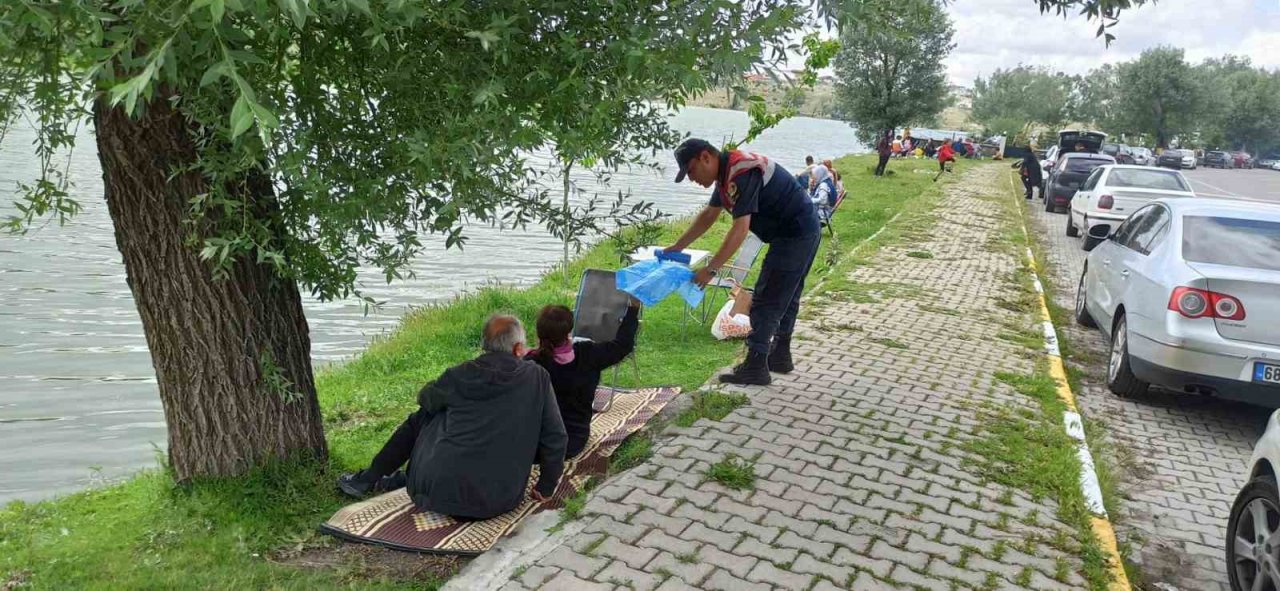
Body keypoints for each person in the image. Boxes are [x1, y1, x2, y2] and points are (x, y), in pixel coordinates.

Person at [338, 315, 567, 520]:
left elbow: (425, 398)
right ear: (518, 349)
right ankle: (390, 477)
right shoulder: (537, 377)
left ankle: (367, 479)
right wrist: (546, 486)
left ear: (484, 345)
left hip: (433, 494)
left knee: (424, 416)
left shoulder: (460, 374)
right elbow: (556, 436)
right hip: (499, 499)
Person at [665, 138, 820, 386]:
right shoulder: (726, 174)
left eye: (691, 171)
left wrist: (711, 269)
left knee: (767, 297)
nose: (692, 179)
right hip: (802, 228)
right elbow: (709, 215)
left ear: (706, 157)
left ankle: (756, 366)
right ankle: (780, 356)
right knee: (787, 294)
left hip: (795, 233)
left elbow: (740, 228)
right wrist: (677, 247)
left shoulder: (740, 173)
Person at [527, 300, 640, 459]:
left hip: (533, 446)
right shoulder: (588, 354)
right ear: (569, 330)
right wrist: (633, 309)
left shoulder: (529, 365)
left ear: (539, 332)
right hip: (573, 441)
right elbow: (622, 345)